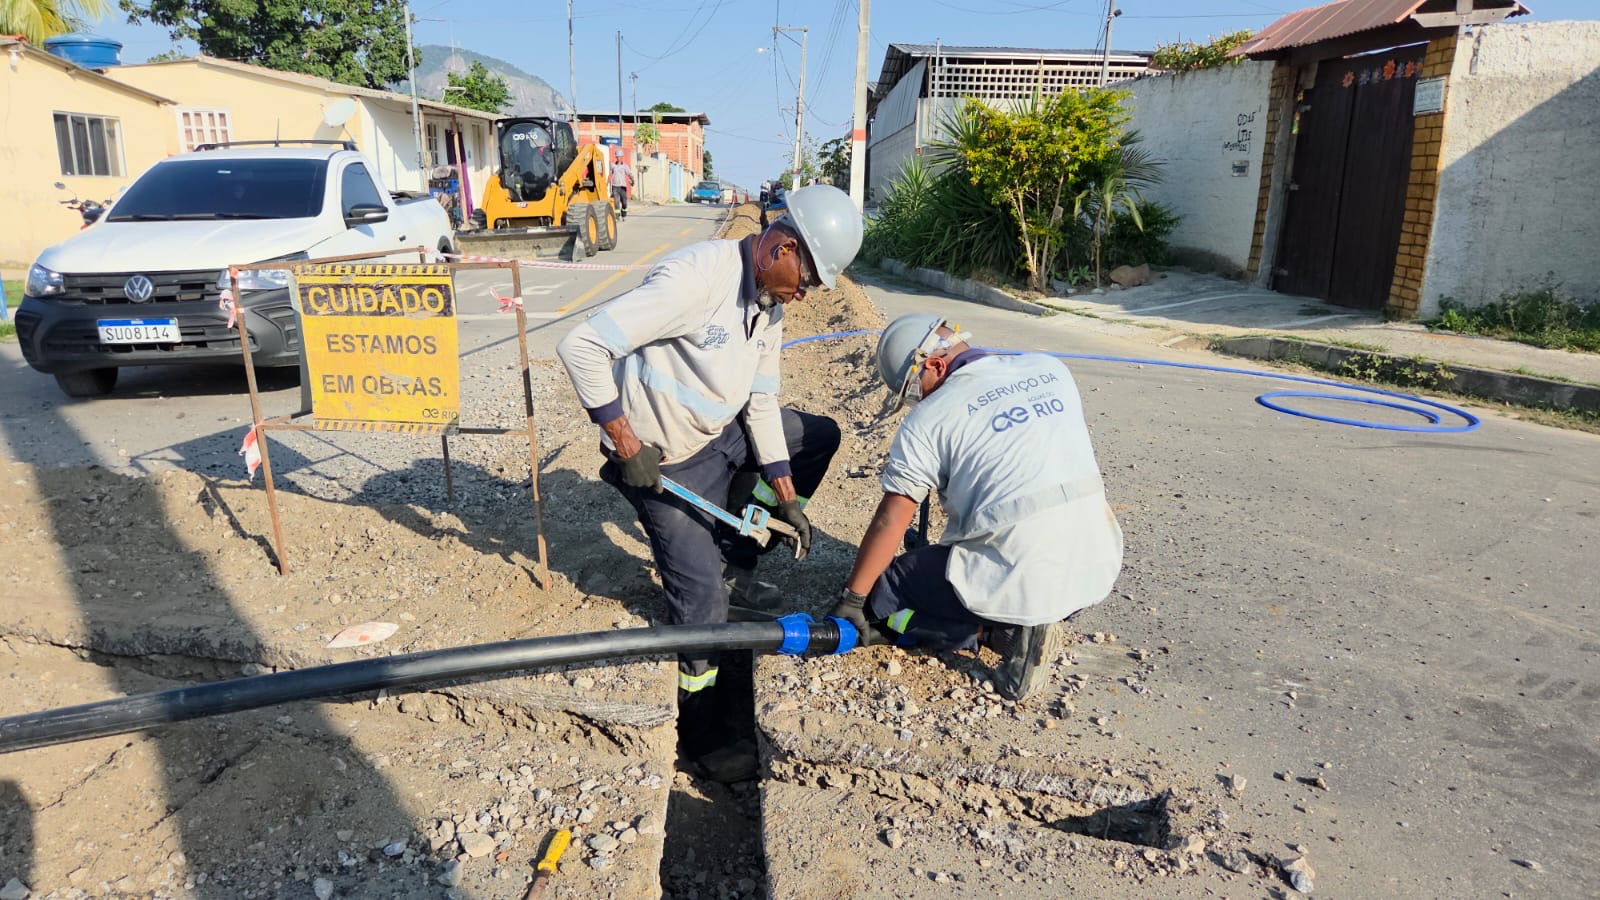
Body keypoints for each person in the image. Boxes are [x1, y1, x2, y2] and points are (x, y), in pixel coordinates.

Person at [556, 184, 864, 778]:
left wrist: (786, 497)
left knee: (817, 436)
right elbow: (581, 346)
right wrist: (627, 445)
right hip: (663, 459)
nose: (804, 294)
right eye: (806, 280)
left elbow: (763, 402)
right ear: (781, 247)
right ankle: (701, 734)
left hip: (720, 434)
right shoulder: (695, 281)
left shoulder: (769, 306)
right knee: (702, 603)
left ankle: (737, 558)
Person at [831, 314, 1124, 702]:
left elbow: (892, 518)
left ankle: (996, 634)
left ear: (935, 365)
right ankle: (1039, 617)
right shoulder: (1050, 369)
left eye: (915, 392)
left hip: (1024, 568)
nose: (918, 402)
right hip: (1092, 565)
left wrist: (853, 599)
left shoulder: (928, 420)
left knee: (887, 592)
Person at [609, 152, 633, 218]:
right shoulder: (613, 165)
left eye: (620, 157)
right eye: (617, 157)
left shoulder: (625, 166)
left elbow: (629, 174)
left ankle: (623, 213)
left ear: (622, 157)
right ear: (616, 157)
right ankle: (617, 216)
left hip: (622, 187)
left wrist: (632, 180)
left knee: (624, 202)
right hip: (615, 187)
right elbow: (610, 175)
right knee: (616, 202)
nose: (618, 158)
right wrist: (607, 183)